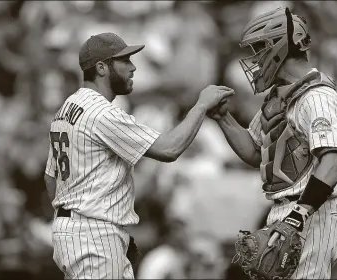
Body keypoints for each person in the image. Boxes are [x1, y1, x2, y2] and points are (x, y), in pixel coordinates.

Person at [44, 32, 234, 279]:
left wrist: (72, 221)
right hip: (94, 235)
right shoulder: (100, 113)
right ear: (101, 68)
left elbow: (51, 179)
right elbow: (169, 149)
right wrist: (200, 106)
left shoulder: (66, 108)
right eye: (124, 61)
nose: (133, 67)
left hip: (75, 232)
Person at [207, 7, 337, 279]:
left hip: (315, 211)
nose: (255, 59)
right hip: (286, 211)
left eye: (259, 49)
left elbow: (332, 163)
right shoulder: (280, 97)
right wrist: (223, 118)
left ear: (279, 47)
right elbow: (254, 151)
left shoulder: (318, 96)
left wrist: (297, 216)